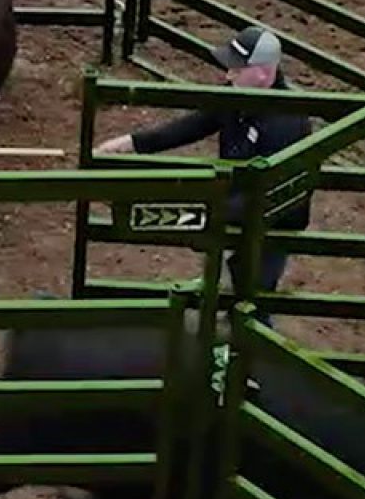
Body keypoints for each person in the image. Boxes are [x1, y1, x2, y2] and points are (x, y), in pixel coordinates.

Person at [93, 25, 314, 307]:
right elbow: (195, 124)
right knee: (225, 281)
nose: (228, 74)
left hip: (269, 224)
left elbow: (276, 197)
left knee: (251, 295)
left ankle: (245, 343)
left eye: (236, 68)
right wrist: (132, 143)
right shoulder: (237, 95)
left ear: (262, 73)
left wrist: (206, 210)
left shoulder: (287, 124)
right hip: (236, 206)